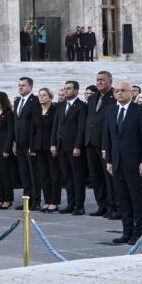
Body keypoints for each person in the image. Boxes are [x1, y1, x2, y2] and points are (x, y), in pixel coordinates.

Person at [103, 82, 142, 244]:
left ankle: (138, 232)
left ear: (131, 93)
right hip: (117, 162)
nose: (119, 93)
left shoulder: (139, 111)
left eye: (123, 91)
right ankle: (126, 231)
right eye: (117, 91)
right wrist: (109, 161)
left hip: (134, 162)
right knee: (123, 198)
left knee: (135, 197)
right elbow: (108, 137)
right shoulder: (111, 111)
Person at [52, 80, 88, 215]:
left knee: (77, 177)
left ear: (76, 91)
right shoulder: (60, 106)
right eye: (65, 88)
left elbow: (81, 128)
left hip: (74, 148)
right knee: (67, 178)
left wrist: (78, 146)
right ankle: (70, 204)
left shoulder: (81, 106)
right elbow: (56, 126)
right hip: (61, 146)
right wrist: (53, 143)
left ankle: (79, 206)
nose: (66, 90)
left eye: (69, 88)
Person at [86, 71, 117, 218]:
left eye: (102, 80)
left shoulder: (114, 97)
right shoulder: (93, 98)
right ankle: (102, 205)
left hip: (105, 143)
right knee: (96, 177)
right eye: (97, 80)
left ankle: (113, 206)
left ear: (110, 81)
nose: (99, 82)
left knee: (109, 178)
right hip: (91, 142)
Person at [29, 87, 59, 211]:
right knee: (44, 175)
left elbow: (56, 129)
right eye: (40, 95)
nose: (41, 97)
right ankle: (47, 201)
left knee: (54, 175)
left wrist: (54, 144)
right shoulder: (37, 110)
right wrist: (32, 147)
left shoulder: (55, 110)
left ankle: (54, 202)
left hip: (51, 146)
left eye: (44, 95)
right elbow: (32, 130)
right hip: (39, 146)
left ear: (50, 97)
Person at [12, 77, 37, 210]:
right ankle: (27, 200)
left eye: (23, 85)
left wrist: (32, 145)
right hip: (19, 143)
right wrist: (14, 141)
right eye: (19, 85)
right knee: (24, 174)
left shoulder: (35, 101)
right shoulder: (17, 101)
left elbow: (34, 124)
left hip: (29, 144)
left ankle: (36, 200)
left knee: (33, 174)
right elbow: (16, 122)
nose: (20, 87)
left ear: (30, 87)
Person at [0, 92, 16, 209]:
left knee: (5, 175)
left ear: (3, 100)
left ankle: (8, 199)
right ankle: (1, 199)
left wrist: (6, 149)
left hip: (3, 148)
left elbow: (10, 132)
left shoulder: (9, 114)